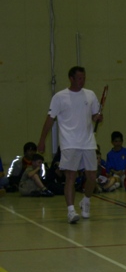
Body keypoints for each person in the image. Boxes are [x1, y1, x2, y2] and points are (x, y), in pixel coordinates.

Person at [37, 66, 103, 223]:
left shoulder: (90, 94)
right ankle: (71, 211)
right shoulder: (59, 97)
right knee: (70, 177)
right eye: (79, 78)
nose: (82, 81)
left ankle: (86, 201)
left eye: (84, 78)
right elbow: (50, 119)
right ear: (71, 79)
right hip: (69, 142)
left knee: (92, 177)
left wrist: (98, 117)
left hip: (88, 142)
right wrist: (41, 140)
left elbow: (95, 116)